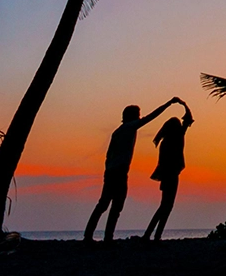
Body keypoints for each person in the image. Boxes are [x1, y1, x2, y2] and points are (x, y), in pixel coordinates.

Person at [84, 97, 183, 242]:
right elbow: (152, 116)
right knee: (115, 205)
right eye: (137, 114)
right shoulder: (130, 127)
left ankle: (93, 235)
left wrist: (109, 168)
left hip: (112, 171)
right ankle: (105, 237)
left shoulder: (117, 132)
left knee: (105, 203)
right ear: (131, 116)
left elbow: (108, 155)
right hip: (119, 172)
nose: (139, 117)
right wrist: (168, 104)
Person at [143, 100, 195, 241]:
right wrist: (184, 104)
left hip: (167, 175)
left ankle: (151, 234)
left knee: (164, 206)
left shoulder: (165, 142)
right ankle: (153, 235)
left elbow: (187, 120)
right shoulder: (177, 137)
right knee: (167, 206)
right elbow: (189, 119)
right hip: (171, 175)